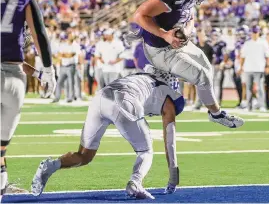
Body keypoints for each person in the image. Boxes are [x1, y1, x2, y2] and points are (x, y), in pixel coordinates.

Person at [31, 67, 184, 199]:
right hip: (125, 101)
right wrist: (173, 175)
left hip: (101, 97)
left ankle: (51, 165)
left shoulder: (139, 78)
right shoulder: (167, 93)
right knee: (145, 151)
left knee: (84, 156)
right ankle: (135, 182)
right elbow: (169, 139)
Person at [131, 0, 244, 128]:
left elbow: (190, 17)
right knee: (202, 76)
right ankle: (159, 76)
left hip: (178, 42)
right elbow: (139, 15)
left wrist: (186, 31)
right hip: (161, 48)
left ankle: (214, 112)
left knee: (207, 71)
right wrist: (165, 35)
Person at [0, 0, 56, 197]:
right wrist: (46, 70)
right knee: (1, 146)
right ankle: (2, 185)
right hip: (14, 81)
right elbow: (39, 33)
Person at [238, 25, 269, 111]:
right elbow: (243, 56)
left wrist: (267, 66)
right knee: (248, 88)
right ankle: (249, 106)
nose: (255, 34)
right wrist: (241, 67)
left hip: (259, 68)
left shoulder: (263, 42)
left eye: (256, 32)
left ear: (259, 32)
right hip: (248, 68)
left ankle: (262, 105)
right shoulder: (247, 43)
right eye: (253, 32)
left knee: (260, 88)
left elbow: (268, 56)